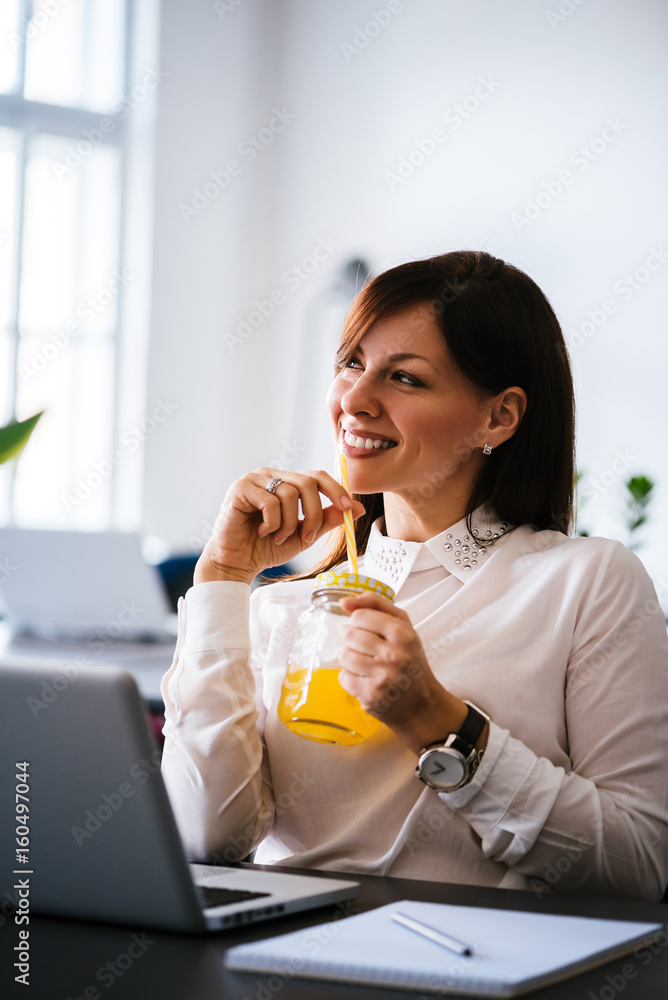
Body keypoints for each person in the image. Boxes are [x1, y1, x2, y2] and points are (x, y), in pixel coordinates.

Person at [161, 250, 668, 900]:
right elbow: (206, 840)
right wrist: (223, 580)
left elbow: (639, 867)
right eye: (351, 363)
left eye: (404, 378)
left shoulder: (588, 582)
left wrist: (441, 723)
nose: (355, 400)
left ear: (498, 417)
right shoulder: (283, 605)